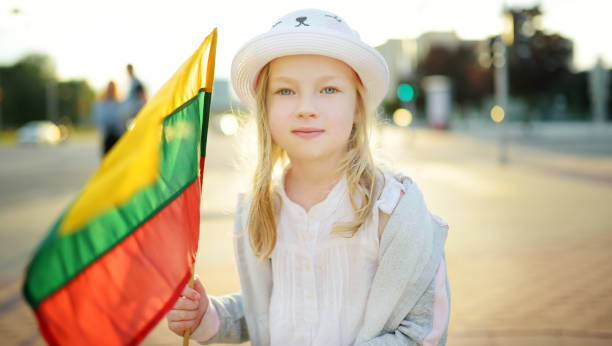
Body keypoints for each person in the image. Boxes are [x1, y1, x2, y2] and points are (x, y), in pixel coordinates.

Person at [167, 8, 450, 346]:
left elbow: (422, 332)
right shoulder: (262, 207)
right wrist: (209, 316)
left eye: (328, 90)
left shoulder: (394, 211)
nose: (306, 107)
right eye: (285, 91)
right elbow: (269, 307)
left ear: (358, 107)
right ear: (265, 110)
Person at [92, 81, 123, 155]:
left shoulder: (119, 103)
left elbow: (122, 117)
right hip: (107, 135)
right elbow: (98, 118)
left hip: (118, 135)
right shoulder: (102, 103)